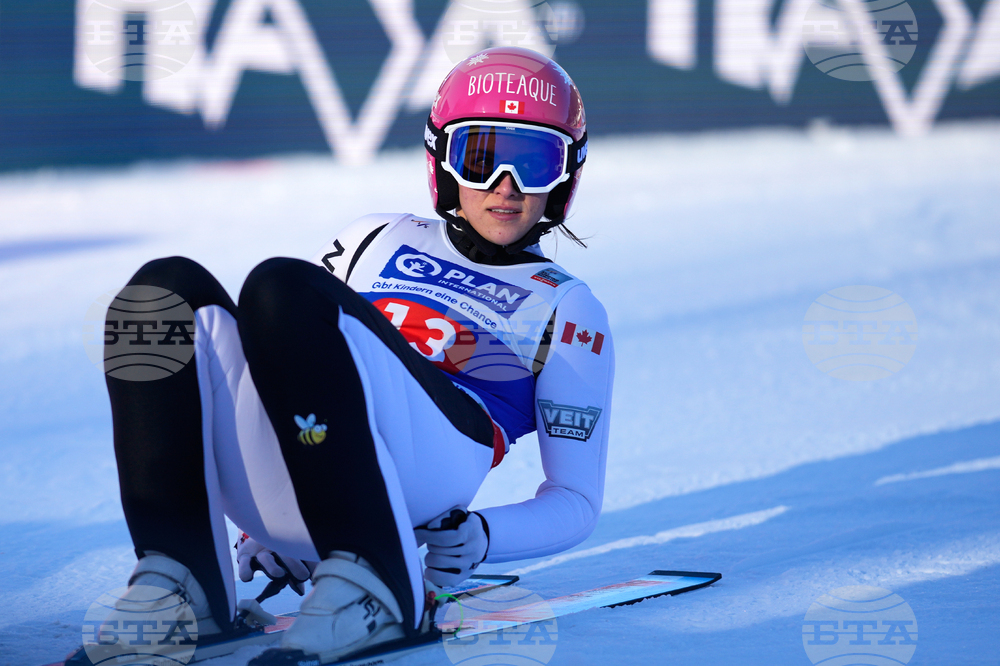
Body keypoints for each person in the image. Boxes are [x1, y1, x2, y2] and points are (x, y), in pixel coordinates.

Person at [80, 46, 613, 666]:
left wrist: (483, 536)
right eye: (481, 155)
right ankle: (184, 581)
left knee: (281, 288)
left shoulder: (568, 307)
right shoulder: (375, 238)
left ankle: (379, 581)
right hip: (311, 458)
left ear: (566, 177)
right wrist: (267, 514)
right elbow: (290, 357)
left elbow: (575, 498)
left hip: (431, 463)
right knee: (161, 295)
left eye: (535, 162)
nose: (506, 185)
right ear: (441, 159)